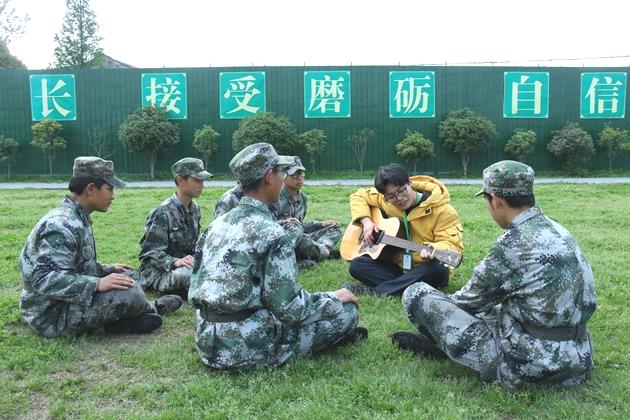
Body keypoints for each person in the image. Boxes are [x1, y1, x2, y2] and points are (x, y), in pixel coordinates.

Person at [393, 160, 596, 389]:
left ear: (496, 201)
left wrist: (438, 319)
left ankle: (444, 345)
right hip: (578, 357)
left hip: (531, 366)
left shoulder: (512, 244)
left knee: (416, 294)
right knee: (495, 307)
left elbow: (467, 302)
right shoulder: (558, 230)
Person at [189, 143, 367, 371]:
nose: (283, 179)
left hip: (207, 340)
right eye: (281, 172)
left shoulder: (215, 225)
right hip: (244, 348)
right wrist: (333, 297)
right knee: (347, 313)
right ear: (268, 177)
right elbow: (291, 309)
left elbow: (196, 285)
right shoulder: (272, 232)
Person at [19, 156, 182, 338]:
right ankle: (152, 308)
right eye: (109, 189)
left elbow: (73, 265)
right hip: (50, 314)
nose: (112, 196)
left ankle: (120, 323)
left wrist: (106, 269)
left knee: (126, 277)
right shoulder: (63, 225)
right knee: (129, 293)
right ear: (90, 189)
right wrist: (97, 282)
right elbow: (43, 279)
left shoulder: (76, 217)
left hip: (62, 301)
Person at [344, 163, 463, 296]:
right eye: (392, 196)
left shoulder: (443, 211)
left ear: (410, 183)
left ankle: (378, 290)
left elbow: (452, 246)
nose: (399, 198)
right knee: (357, 265)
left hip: (424, 269)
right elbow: (358, 196)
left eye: (402, 190)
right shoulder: (386, 200)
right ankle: (406, 286)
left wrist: (433, 248)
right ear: (384, 196)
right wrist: (366, 222)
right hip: (399, 267)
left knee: (439, 268)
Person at [138, 157, 212, 297]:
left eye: (203, 180)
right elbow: (149, 253)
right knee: (193, 274)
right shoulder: (163, 212)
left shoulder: (194, 209)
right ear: (180, 180)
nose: (202, 185)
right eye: (197, 180)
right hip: (159, 273)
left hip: (184, 266)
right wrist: (175, 261)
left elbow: (190, 247)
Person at [270, 156, 342, 269]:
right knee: (304, 241)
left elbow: (301, 224)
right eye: (294, 175)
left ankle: (322, 250)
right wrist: (287, 225)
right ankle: (324, 253)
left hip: (302, 237)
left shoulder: (302, 198)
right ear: (283, 176)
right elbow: (270, 227)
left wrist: (320, 224)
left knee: (334, 228)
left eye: (301, 174)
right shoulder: (275, 197)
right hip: (286, 240)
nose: (299, 178)